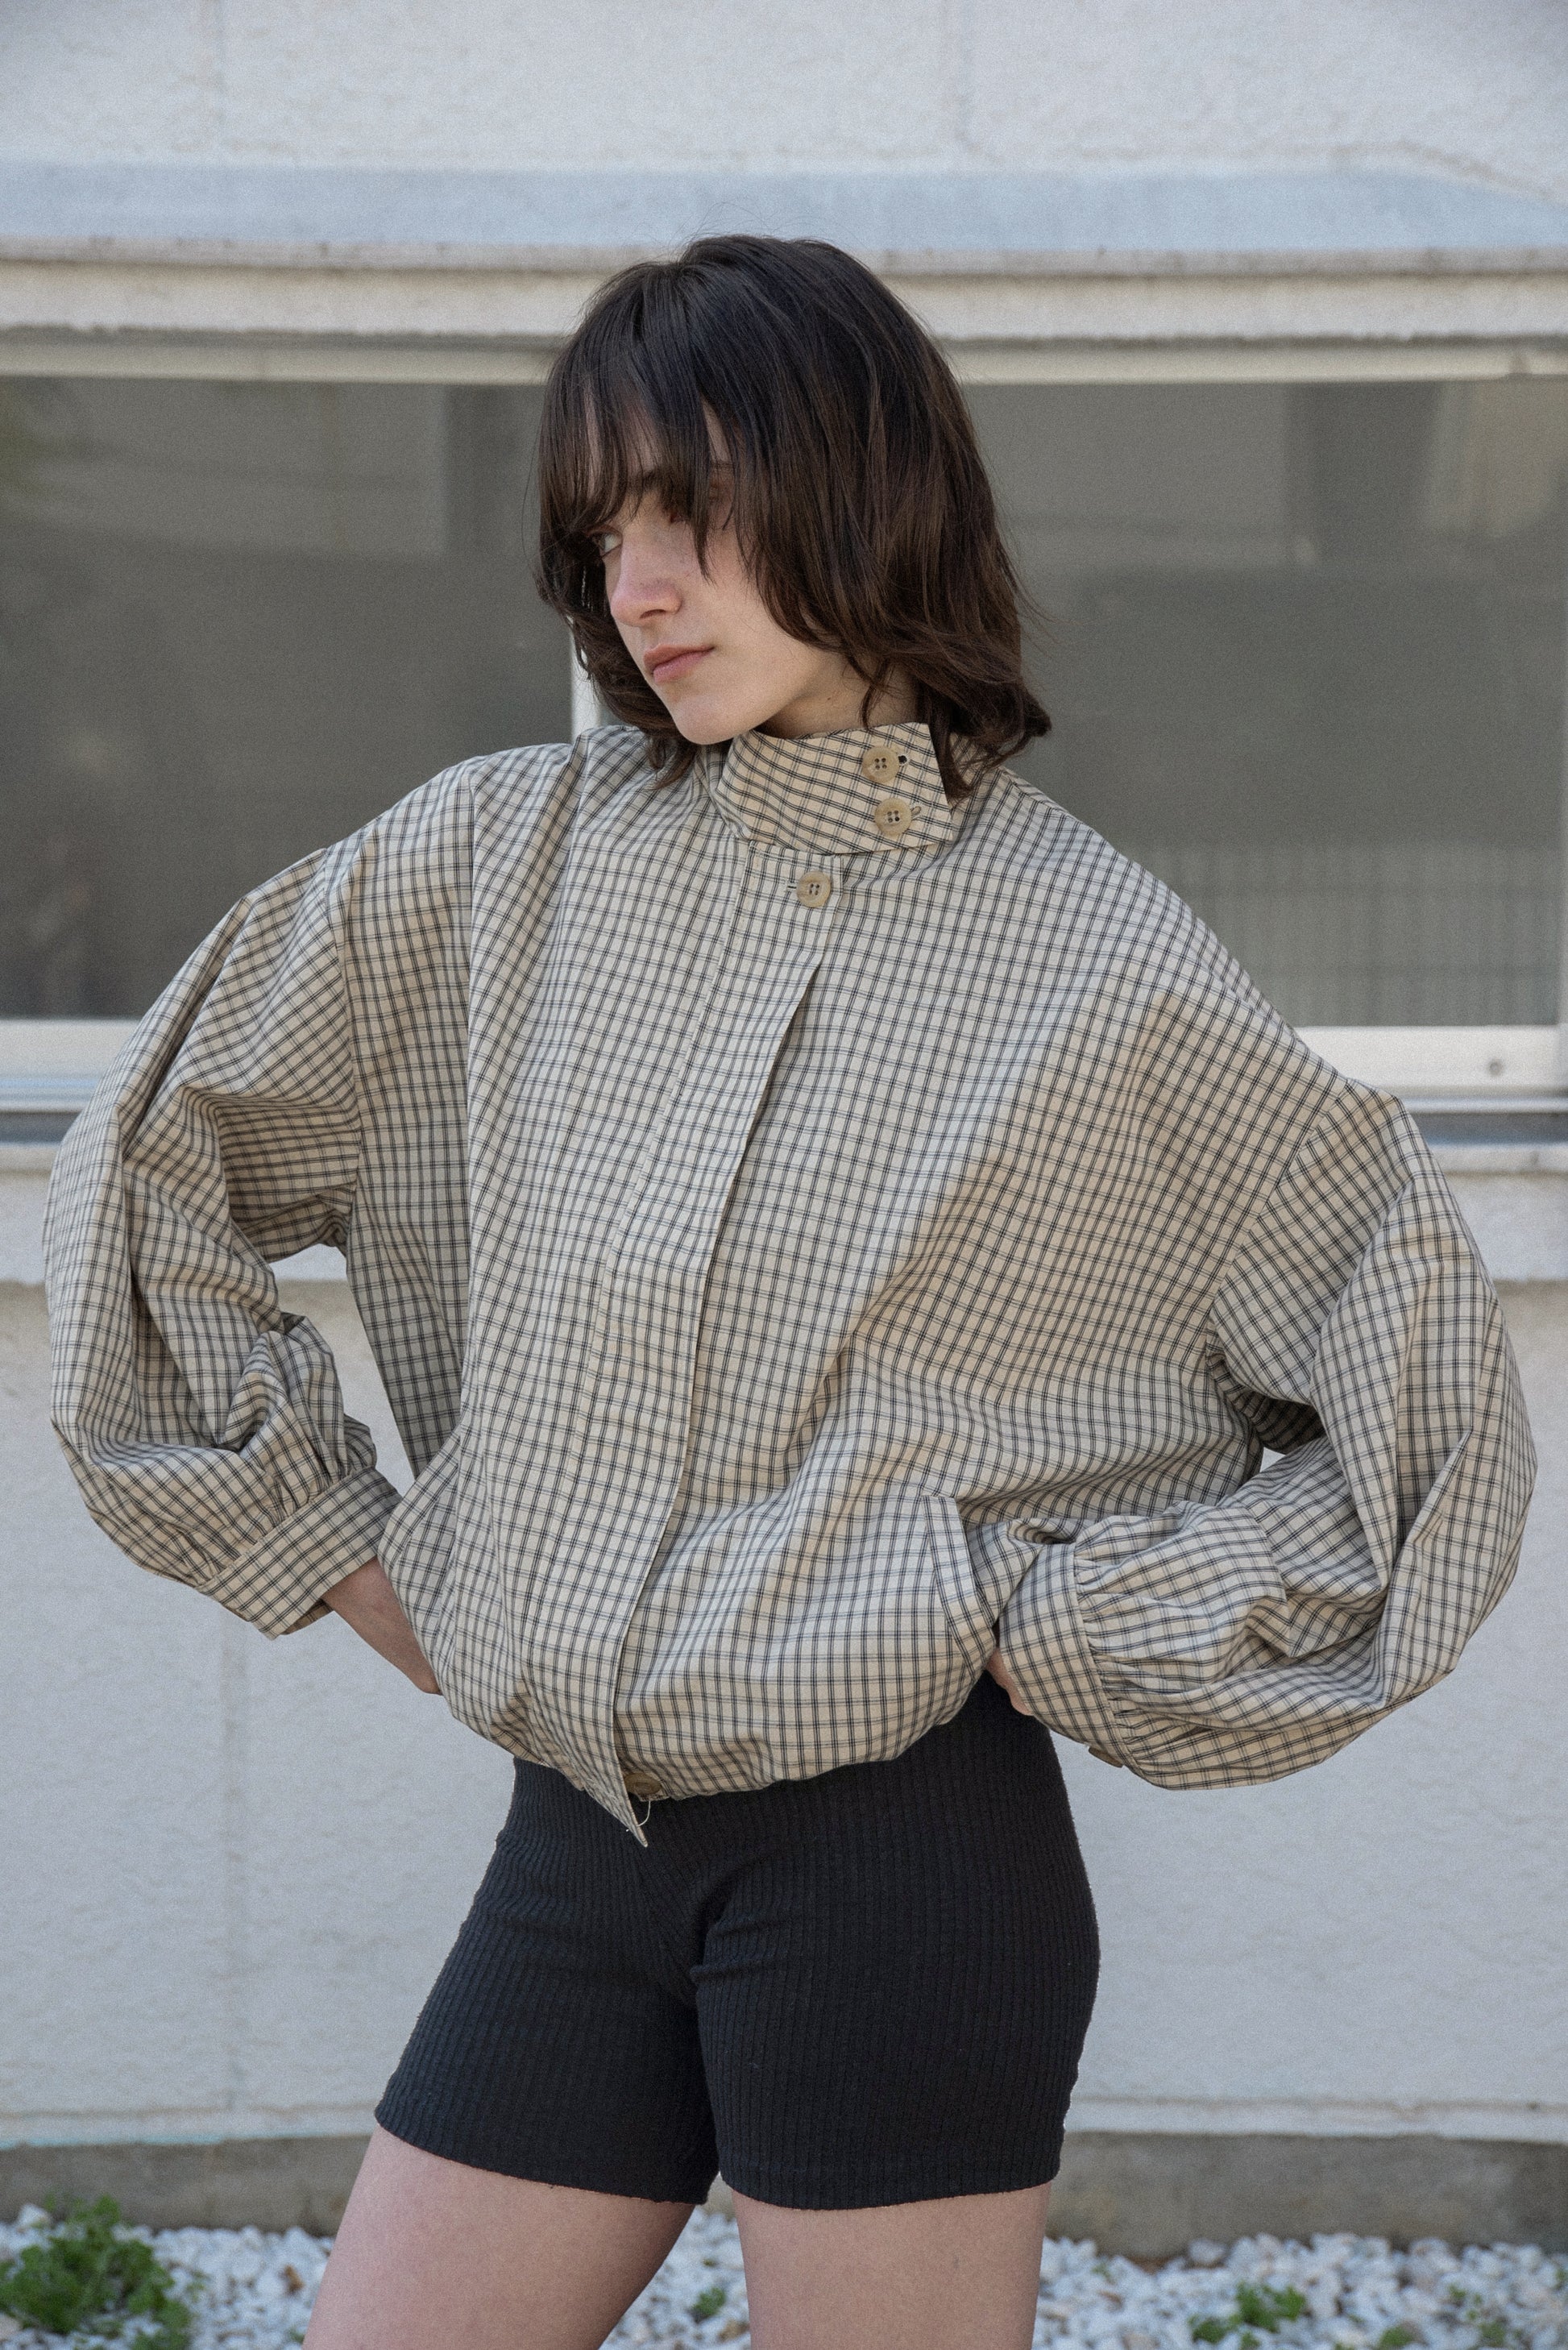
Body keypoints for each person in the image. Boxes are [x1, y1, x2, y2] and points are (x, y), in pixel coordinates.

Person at [44, 235, 1534, 2350]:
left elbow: (1421, 1419)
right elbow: (151, 1169)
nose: (640, 588)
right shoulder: (496, 865)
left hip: (900, 1877)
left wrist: (1043, 1623)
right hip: (574, 1857)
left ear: (864, 486)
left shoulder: (1093, 961)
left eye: (693, 511)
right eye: (602, 534)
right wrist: (361, 1561)